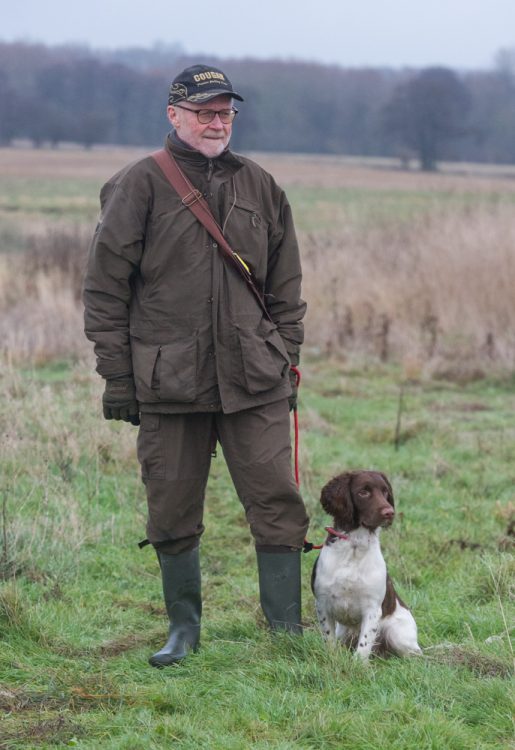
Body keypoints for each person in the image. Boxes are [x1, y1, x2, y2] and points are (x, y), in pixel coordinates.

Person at [83, 63, 309, 668]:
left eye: (225, 112)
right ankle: (184, 633)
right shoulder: (137, 186)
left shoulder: (263, 187)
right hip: (168, 382)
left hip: (254, 380)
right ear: (174, 115)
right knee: (172, 507)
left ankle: (286, 636)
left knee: (277, 500)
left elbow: (286, 290)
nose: (216, 123)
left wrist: (285, 360)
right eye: (205, 112)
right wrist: (118, 378)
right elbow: (104, 291)